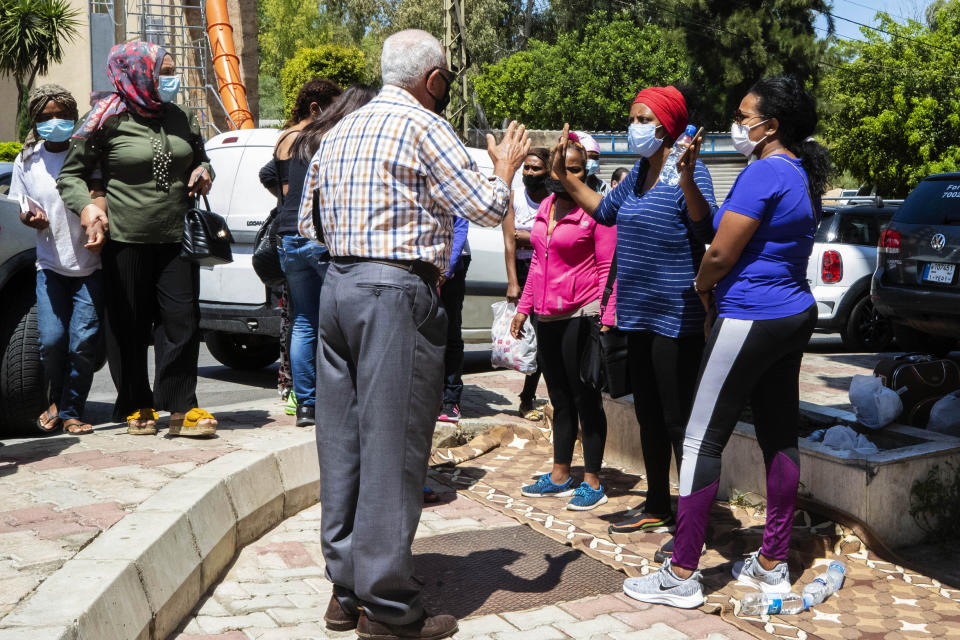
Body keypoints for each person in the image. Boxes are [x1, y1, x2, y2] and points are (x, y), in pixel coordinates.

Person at [298, 30, 529, 639]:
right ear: (434, 80)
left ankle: (344, 592)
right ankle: (389, 608)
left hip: (338, 287)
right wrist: (502, 168)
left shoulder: (339, 128)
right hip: (394, 294)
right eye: (446, 78)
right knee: (393, 447)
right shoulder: (425, 126)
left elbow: (307, 220)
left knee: (341, 441)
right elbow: (483, 206)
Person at [621, 76, 825, 608]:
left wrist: (703, 287)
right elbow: (716, 223)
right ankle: (773, 562)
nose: (737, 124)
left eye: (744, 115)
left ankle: (682, 572)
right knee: (780, 437)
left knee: (699, 439)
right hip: (792, 313)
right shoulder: (799, 172)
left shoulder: (762, 172)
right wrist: (689, 178)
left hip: (749, 317)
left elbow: (719, 251)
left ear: (771, 125)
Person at [552, 86, 717, 536]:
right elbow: (604, 211)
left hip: (676, 315)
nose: (635, 126)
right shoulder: (639, 173)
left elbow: (706, 226)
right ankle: (658, 504)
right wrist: (565, 178)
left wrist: (685, 179)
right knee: (647, 412)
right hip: (637, 314)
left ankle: (693, 518)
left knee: (676, 417)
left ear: (666, 126)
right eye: (634, 118)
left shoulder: (692, 171)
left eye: (644, 119)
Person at [57, 41, 217, 437]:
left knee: (183, 320)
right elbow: (70, 175)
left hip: (176, 238)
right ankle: (136, 404)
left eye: (171, 72)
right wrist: (87, 208)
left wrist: (204, 170)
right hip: (125, 239)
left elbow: (198, 155)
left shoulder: (180, 117)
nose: (169, 80)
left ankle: (183, 407)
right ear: (137, 73)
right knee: (128, 325)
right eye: (163, 72)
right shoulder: (105, 120)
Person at [511, 135, 616, 511]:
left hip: (581, 314)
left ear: (584, 172)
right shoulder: (547, 207)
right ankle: (560, 474)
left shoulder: (596, 210)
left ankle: (592, 480)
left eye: (573, 169)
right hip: (546, 314)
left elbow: (607, 267)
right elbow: (538, 261)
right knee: (557, 396)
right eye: (560, 168)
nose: (564, 175)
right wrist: (524, 307)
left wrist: (607, 315)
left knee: (585, 397)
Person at [10, 85, 103, 435]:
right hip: (49, 265)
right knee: (52, 341)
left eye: (62, 116)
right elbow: (21, 205)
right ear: (35, 120)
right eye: (46, 117)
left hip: (90, 266)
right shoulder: (27, 159)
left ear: (73, 116)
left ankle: (71, 411)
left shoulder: (87, 154)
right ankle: (59, 401)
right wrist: (30, 218)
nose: (55, 122)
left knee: (82, 343)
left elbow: (100, 195)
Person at [258, 78, 342, 427]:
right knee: (333, 321)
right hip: (317, 235)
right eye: (334, 109)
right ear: (316, 108)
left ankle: (305, 404)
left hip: (288, 234)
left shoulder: (285, 137)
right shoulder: (320, 139)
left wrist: (286, 200)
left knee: (303, 321)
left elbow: (272, 178)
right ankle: (334, 399)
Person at [502, 146, 550, 420]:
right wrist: (512, 283)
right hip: (521, 270)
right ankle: (528, 397)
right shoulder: (515, 197)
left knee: (543, 337)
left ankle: (529, 395)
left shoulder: (553, 199)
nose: (530, 173)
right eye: (527, 168)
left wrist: (527, 235)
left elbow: (551, 237)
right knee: (527, 335)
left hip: (546, 268)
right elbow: (510, 241)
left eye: (536, 168)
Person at [438, 215, 471, 423]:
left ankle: (451, 399)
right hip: (421, 262)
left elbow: (460, 225)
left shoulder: (452, 183)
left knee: (450, 331)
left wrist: (446, 270)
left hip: (452, 263)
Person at [575, 131, 610, 195]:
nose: (594, 161)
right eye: (591, 157)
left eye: (596, 158)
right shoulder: (568, 187)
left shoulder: (604, 187)